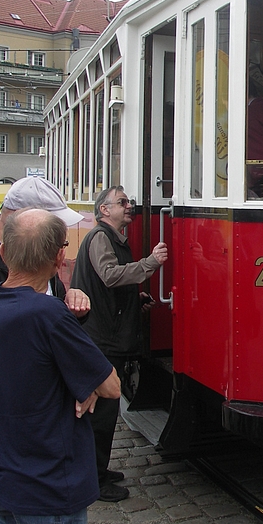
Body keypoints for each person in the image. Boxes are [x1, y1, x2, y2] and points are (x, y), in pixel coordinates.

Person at [0, 209, 120, 524]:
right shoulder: (49, 315)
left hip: (0, 482)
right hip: (50, 486)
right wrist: (84, 385)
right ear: (60, 260)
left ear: (3, 252)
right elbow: (111, 386)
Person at [70, 186, 168, 502]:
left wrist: (133, 300)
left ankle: (98, 471)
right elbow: (110, 276)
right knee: (100, 414)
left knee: (106, 413)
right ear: (103, 210)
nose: (129, 207)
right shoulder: (101, 237)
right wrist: (151, 262)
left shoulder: (112, 239)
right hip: (101, 341)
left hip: (104, 337)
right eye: (122, 202)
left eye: (128, 202)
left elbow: (107, 289)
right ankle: (94, 480)